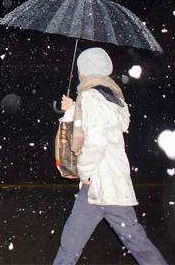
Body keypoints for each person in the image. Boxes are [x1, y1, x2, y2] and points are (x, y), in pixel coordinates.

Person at [53, 47, 167, 265]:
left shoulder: (90, 96)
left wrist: (84, 171)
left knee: (72, 244)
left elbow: (95, 140)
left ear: (85, 71)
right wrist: (73, 108)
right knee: (74, 241)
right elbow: (97, 123)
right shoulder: (111, 96)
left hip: (99, 183)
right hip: (107, 185)